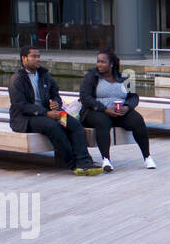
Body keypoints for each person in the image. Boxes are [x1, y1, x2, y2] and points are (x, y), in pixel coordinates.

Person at [7, 46, 101, 176]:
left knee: (74, 124)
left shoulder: (44, 75)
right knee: (54, 127)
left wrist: (56, 103)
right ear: (24, 59)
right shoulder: (17, 80)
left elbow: (55, 94)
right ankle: (72, 164)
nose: (37, 59)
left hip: (50, 113)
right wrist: (45, 113)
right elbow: (21, 106)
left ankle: (84, 161)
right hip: (27, 118)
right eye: (34, 56)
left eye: (38, 56)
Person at [79, 48, 155, 172]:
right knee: (102, 122)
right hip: (96, 111)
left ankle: (147, 157)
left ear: (111, 64)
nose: (99, 64)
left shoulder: (124, 78)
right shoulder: (91, 76)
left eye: (103, 62)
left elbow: (134, 97)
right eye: (98, 61)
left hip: (120, 112)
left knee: (137, 120)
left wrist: (127, 107)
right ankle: (106, 159)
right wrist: (105, 109)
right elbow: (85, 97)